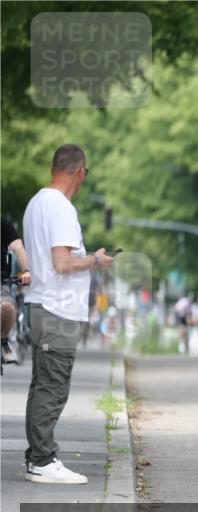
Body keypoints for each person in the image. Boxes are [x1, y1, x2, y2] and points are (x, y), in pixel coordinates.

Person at [23, 144, 114, 484]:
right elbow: (62, 263)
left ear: (52, 167)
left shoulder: (36, 203)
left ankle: (38, 457)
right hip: (56, 309)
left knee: (42, 385)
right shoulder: (61, 208)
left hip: (43, 305)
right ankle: (44, 460)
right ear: (81, 172)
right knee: (53, 387)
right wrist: (96, 260)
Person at [2, 215, 32, 363]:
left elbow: (18, 247)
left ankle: (4, 341)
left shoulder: (3, 224)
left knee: (8, 307)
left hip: (2, 284)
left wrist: (26, 270)